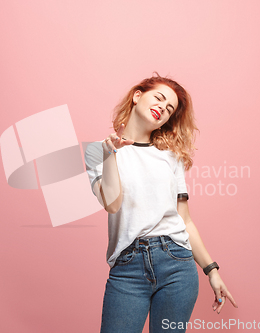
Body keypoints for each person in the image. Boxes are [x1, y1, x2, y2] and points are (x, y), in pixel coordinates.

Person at [84, 73, 237, 333]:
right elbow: (112, 204)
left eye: (169, 109)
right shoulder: (98, 151)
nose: (162, 109)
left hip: (176, 263)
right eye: (159, 98)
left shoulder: (170, 157)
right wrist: (111, 156)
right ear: (137, 96)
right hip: (127, 268)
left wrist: (212, 270)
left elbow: (185, 219)